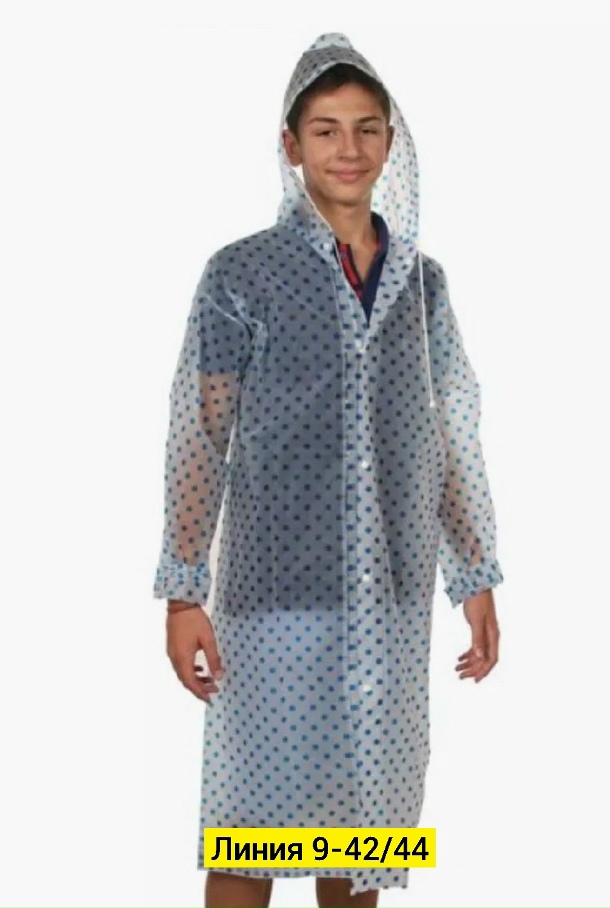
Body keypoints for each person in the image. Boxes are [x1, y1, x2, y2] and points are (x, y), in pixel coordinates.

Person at [153, 32, 504, 908]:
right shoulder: (242, 275)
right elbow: (201, 435)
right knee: (252, 830)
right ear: (291, 145)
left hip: (389, 600)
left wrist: (474, 575)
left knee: (361, 829)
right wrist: (185, 591)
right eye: (325, 130)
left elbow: (452, 428)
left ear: (391, 142)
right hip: (275, 597)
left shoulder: (422, 285)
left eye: (366, 128)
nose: (349, 149)